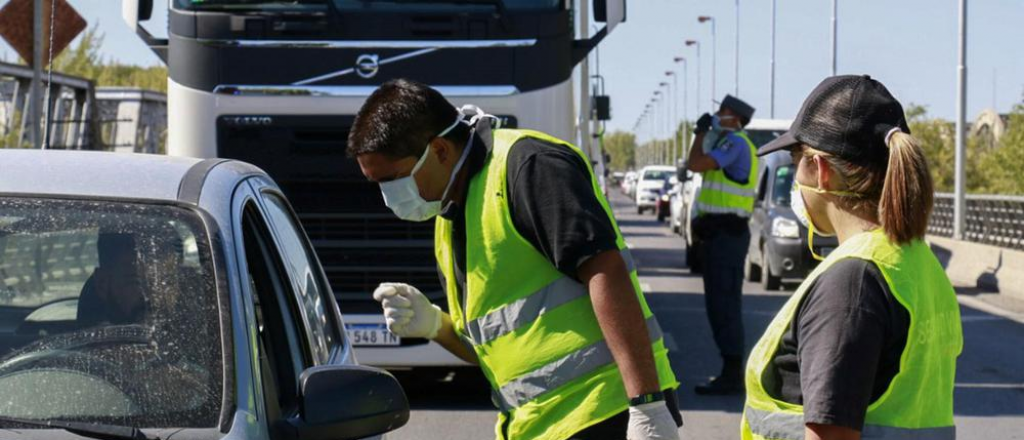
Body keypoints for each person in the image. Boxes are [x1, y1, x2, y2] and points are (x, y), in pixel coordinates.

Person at [347, 79, 681, 440]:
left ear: (440, 150)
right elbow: (495, 350)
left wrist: (647, 405)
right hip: (540, 427)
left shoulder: (529, 167)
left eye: (392, 179)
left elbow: (605, 271)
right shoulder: (450, 216)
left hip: (606, 413)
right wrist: (436, 327)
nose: (387, 196)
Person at [741, 75, 963, 440]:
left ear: (821, 171)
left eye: (797, 159)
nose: (796, 176)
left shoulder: (853, 283)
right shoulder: (915, 261)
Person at [686, 95, 758, 395]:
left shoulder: (736, 144)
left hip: (727, 236)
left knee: (725, 306)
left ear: (734, 117)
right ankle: (729, 370)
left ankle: (732, 373)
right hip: (719, 236)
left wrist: (701, 132)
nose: (717, 115)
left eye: (722, 112)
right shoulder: (726, 143)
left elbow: (696, 163)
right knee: (719, 305)